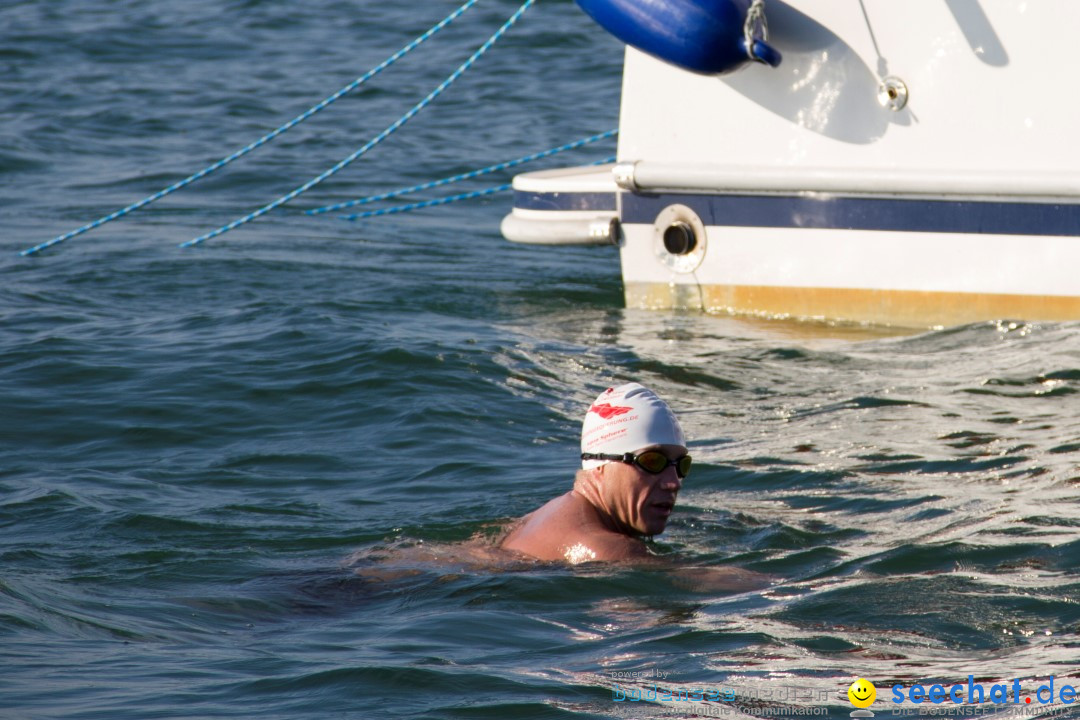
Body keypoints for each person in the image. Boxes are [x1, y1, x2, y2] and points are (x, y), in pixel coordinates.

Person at [500, 382, 692, 564]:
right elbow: (700, 581)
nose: (674, 482)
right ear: (600, 465)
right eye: (652, 461)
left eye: (681, 465)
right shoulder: (610, 550)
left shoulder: (536, 519)